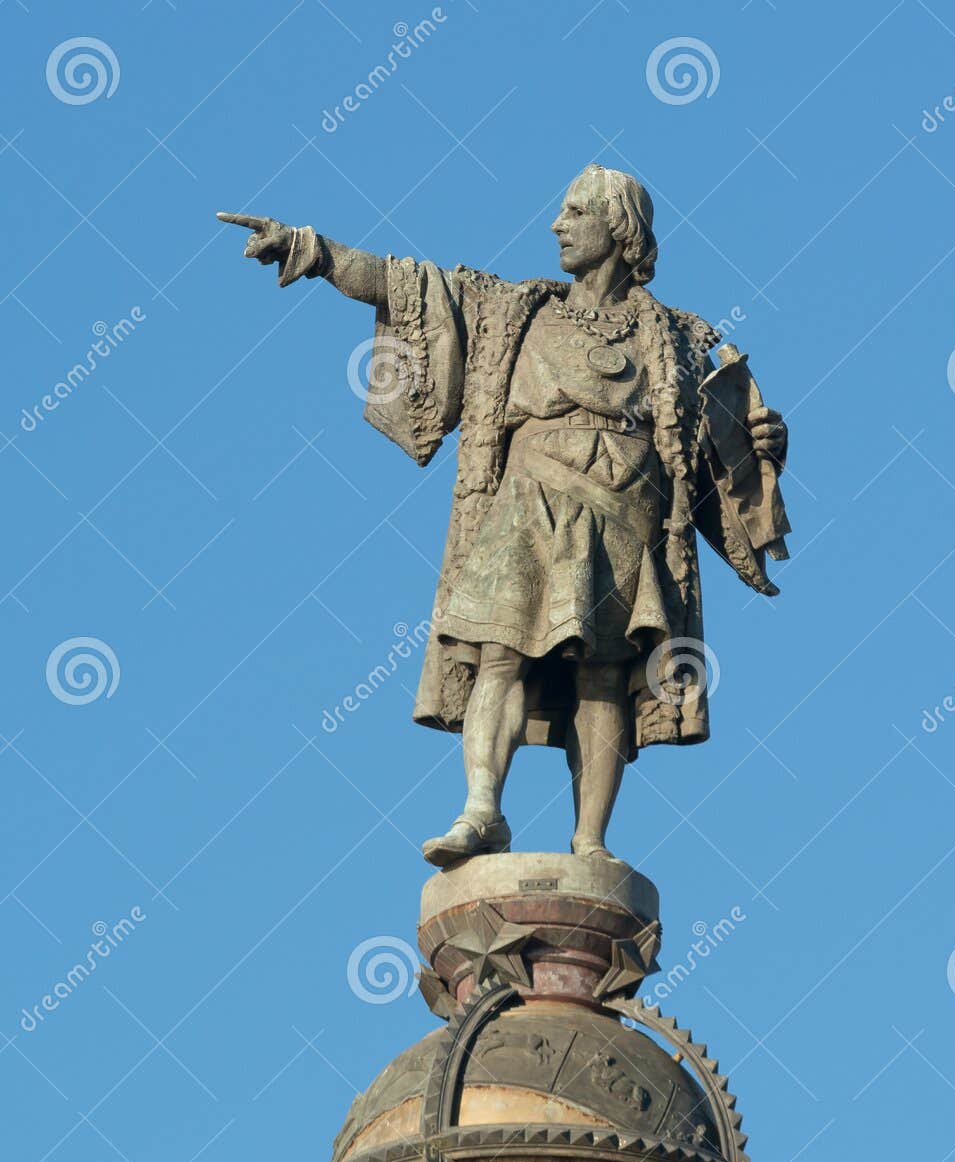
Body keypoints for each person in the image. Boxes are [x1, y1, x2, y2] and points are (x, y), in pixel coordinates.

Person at [219, 164, 789, 866]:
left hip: (625, 512)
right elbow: (406, 287)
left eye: (574, 211)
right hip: (525, 499)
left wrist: (764, 446)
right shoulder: (512, 309)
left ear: (619, 228)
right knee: (499, 650)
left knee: (603, 672)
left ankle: (589, 843)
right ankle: (482, 809)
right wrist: (311, 250)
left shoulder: (676, 336)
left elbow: (723, 451)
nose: (556, 224)